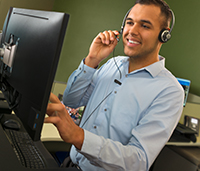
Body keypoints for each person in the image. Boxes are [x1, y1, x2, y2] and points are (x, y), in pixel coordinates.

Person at [45, 0, 184, 170]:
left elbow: (138, 161)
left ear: (164, 35)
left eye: (145, 26)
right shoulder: (113, 64)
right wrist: (91, 61)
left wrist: (78, 137)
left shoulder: (169, 91)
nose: (132, 31)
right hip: (71, 164)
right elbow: (72, 100)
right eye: (129, 23)